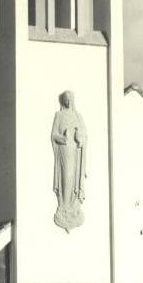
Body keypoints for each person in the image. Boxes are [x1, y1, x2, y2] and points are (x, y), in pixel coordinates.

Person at [51, 90, 87, 232]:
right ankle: (64, 206)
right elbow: (53, 134)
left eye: (70, 98)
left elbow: (84, 134)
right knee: (66, 177)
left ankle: (71, 206)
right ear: (63, 101)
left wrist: (79, 137)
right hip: (64, 151)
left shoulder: (78, 116)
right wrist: (62, 138)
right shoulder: (58, 115)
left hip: (75, 152)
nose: (68, 100)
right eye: (66, 98)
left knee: (72, 178)